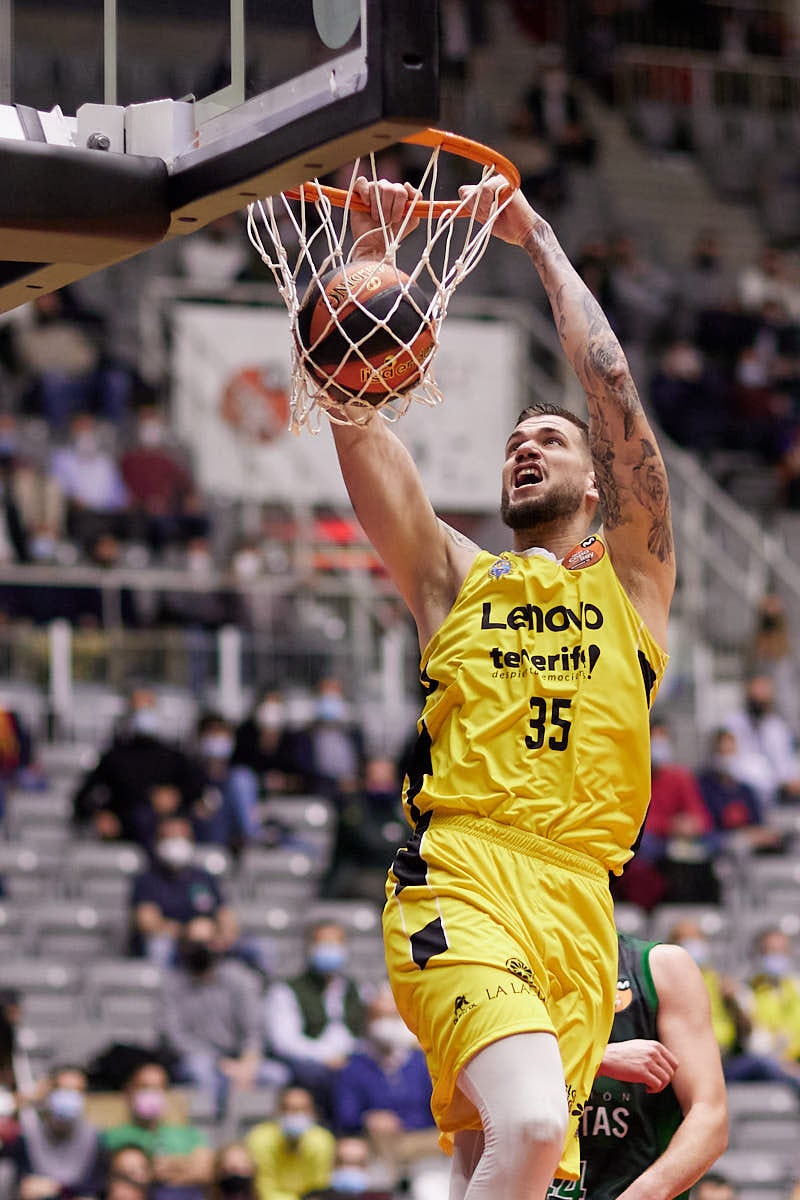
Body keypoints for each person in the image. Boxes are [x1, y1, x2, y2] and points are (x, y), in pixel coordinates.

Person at [323, 173, 674, 1198]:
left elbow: (610, 388)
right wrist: (359, 268)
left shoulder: (635, 581)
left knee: (510, 1166)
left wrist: (537, 242)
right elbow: (355, 427)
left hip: (576, 901)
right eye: (514, 441)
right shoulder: (451, 576)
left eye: (548, 440)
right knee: (523, 1129)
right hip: (461, 872)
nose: (525, 446)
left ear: (597, 483)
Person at [560, 931, 728, 1200]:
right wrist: (598, 1060)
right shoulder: (500, 965)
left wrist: (641, 1195)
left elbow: (710, 1115)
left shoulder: (661, 967)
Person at [159, 915, 289, 1115]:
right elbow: (174, 1036)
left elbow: (253, 1029)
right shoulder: (171, 985)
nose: (200, 948)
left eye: (206, 941)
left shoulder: (240, 978)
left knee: (277, 1075)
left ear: (218, 943)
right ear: (183, 946)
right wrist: (219, 1062)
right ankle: (206, 1133)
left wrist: (247, 1063)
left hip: (238, 1060)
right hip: (198, 1059)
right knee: (200, 1070)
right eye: (194, 942)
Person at [265, 922, 367, 1119]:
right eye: (323, 943)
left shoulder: (357, 989)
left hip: (352, 1058)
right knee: (324, 1078)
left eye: (335, 943)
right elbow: (285, 1041)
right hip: (311, 1064)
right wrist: (325, 1056)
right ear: (310, 947)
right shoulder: (287, 990)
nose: (329, 949)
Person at [129, 815, 238, 964]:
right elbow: (147, 923)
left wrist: (221, 934)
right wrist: (187, 932)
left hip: (208, 941)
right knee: (159, 946)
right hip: (175, 944)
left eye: (181, 837)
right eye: (170, 837)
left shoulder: (204, 878)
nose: (176, 843)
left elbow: (225, 915)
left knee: (253, 947)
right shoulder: (147, 880)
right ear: (157, 842)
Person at [102, 1059, 213, 1200]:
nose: (151, 1093)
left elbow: (205, 1172)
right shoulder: (115, 1136)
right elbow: (132, 1173)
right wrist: (184, 1165)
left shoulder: (188, 1134)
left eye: (158, 1087)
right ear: (129, 1091)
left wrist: (166, 1167)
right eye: (144, 1087)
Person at [332, 987, 434, 1138]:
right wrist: (367, 1120)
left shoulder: (422, 1063)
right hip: (377, 1142)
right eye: (379, 1017)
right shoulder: (354, 1067)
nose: (386, 1025)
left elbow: (438, 1109)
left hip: (422, 1140)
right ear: (367, 1021)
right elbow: (347, 1115)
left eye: (392, 1017)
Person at [12, 1065, 106, 1197]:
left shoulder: (96, 1137)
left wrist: (58, 1188)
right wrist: (17, 1103)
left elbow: (94, 1187)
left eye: (77, 1091)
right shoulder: (26, 1136)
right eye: (62, 1089)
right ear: (47, 1093)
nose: (69, 1096)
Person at [246, 1087, 335, 1200]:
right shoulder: (260, 1138)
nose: (297, 1114)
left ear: (312, 1112)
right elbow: (263, 1183)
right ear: (279, 1111)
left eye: (303, 1109)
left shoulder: (323, 1139)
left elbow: (319, 1184)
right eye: (291, 1109)